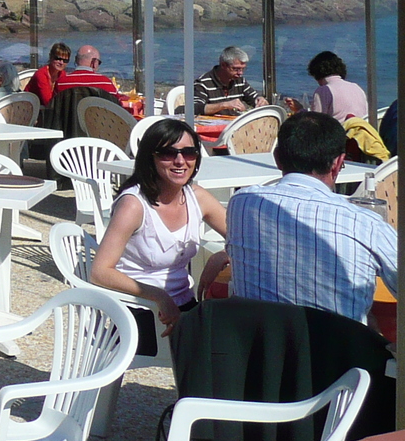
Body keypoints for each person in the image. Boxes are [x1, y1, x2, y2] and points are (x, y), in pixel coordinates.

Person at [220, 111, 397, 323]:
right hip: (339, 351)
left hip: (260, 349)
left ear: (277, 158)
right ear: (338, 163)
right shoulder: (364, 223)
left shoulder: (242, 203)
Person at [92, 119, 228, 354]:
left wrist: (220, 256)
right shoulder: (133, 205)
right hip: (137, 308)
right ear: (150, 158)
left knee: (234, 337)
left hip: (183, 304)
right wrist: (159, 296)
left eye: (189, 152)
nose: (180, 161)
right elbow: (100, 271)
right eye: (168, 153)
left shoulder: (196, 196)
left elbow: (244, 239)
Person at [292, 51, 369, 121]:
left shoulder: (324, 90)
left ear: (316, 73)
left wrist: (300, 111)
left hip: (339, 134)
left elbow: (315, 122)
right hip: (360, 133)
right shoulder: (356, 88)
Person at [194, 46, 268, 116]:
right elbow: (195, 108)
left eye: (243, 69)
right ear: (223, 65)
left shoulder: (240, 81)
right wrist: (224, 105)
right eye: (236, 69)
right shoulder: (203, 83)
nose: (240, 73)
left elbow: (254, 98)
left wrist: (260, 101)